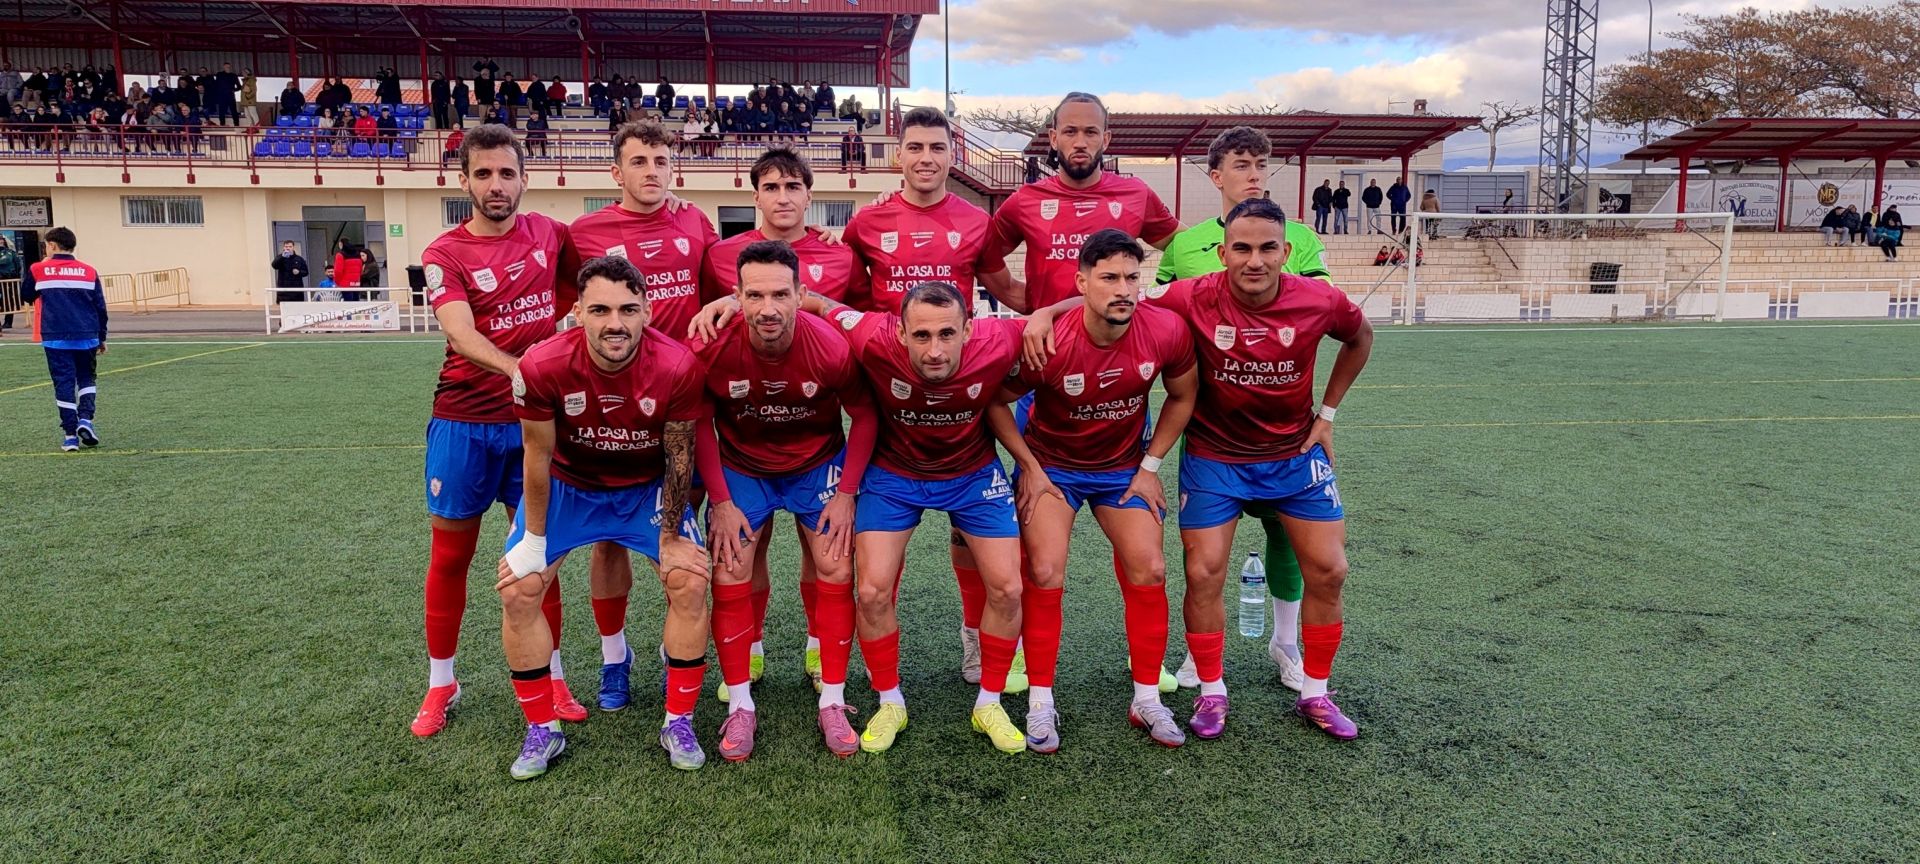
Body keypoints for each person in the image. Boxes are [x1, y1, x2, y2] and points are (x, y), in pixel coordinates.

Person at [1024, 198, 1375, 741]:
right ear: (1223, 252)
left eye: (1267, 248)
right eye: (1242, 248)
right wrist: (1046, 312)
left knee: (1330, 570)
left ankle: (1315, 693)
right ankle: (1212, 690)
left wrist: (1327, 414)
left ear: (1286, 252)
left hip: (1293, 455)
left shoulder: (1319, 299)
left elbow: (1360, 336)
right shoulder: (1190, 295)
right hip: (1216, 457)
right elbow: (1117, 294)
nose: (1254, 260)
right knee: (1204, 572)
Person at [986, 229, 1200, 751]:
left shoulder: (1165, 329)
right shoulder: (1049, 341)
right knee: (1044, 571)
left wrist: (1150, 466)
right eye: (1108, 278)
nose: (1122, 289)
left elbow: (1182, 396)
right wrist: (1030, 467)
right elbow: (995, 402)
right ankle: (1040, 701)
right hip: (1054, 468)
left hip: (1123, 469)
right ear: (1082, 283)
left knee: (1151, 567)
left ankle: (1146, 699)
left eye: (1131, 277)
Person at [496, 254, 707, 778]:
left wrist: (672, 535)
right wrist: (533, 542)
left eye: (628, 310)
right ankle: (541, 728)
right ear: (577, 313)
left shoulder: (678, 365)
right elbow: (537, 456)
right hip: (569, 487)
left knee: (688, 581)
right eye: (601, 310)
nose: (616, 323)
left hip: (643, 489)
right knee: (519, 589)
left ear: (647, 312)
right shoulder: (540, 365)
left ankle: (679, 721)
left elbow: (680, 455)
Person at [411, 124, 583, 744]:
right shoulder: (444, 253)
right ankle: (441, 683)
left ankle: (554, 677)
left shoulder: (551, 234)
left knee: (538, 557)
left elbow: (587, 285)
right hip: (464, 422)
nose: (496, 185)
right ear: (464, 182)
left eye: (506, 173)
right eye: (483, 174)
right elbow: (459, 333)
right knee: (450, 557)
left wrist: (557, 340)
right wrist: (521, 369)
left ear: (524, 179)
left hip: (532, 426)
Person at [1152, 126, 1325, 691]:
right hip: (1210, 426)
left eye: (1261, 165)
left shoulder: (1298, 236)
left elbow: (1320, 312)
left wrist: (1326, 412)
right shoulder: (1185, 245)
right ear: (1216, 175)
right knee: (1203, 554)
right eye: (1243, 164)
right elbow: (1158, 318)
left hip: (1285, 424)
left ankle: (1285, 642)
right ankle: (1199, 655)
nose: (1254, 174)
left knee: (1288, 536)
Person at [691, 239, 878, 759]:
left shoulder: (830, 346)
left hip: (816, 466)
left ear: (800, 294)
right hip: (743, 469)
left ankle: (833, 700)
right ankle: (740, 706)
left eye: (779, 295)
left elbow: (865, 415)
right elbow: (699, 421)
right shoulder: (713, 345)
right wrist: (721, 502)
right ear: (737, 296)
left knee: (836, 565)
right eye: (754, 296)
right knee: (730, 568)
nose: (767, 308)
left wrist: (846, 494)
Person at [19, 227, 108, 452]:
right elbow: (100, 307)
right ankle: (85, 419)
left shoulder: (39, 269)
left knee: (64, 383)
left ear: (52, 245)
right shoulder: (89, 271)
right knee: (87, 378)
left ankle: (70, 435)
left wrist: (41, 268)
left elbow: (27, 295)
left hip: (55, 337)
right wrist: (102, 337)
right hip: (87, 334)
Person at [0, 235, 20, 335]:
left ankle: (8, 322)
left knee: (9, 300)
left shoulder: (10, 253)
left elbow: (17, 265)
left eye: (1, 240)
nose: (1, 241)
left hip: (9, 279)